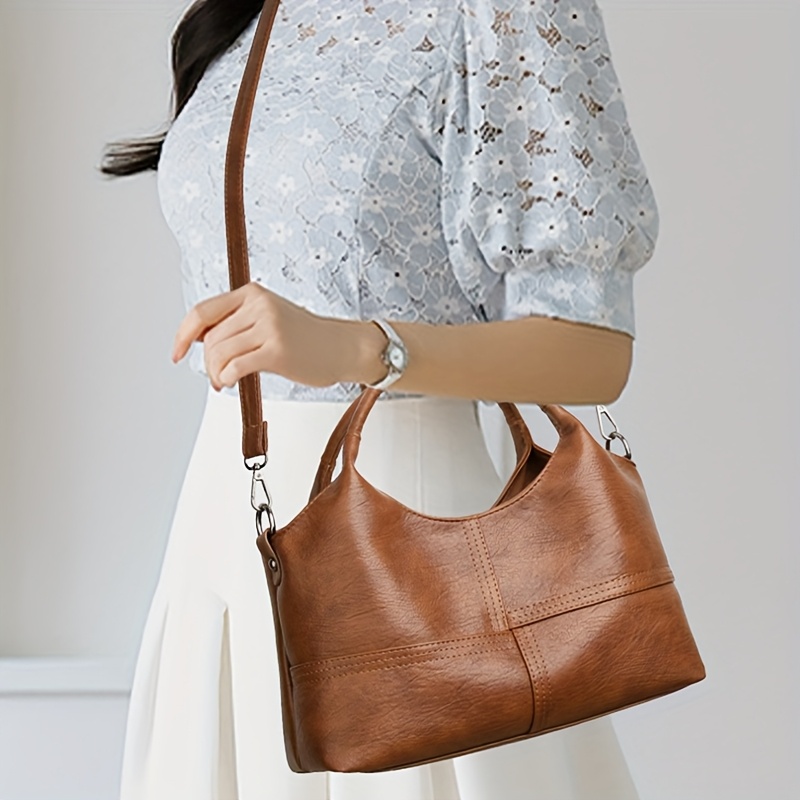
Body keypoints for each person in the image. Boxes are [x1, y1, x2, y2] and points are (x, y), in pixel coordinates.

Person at [102, 1, 658, 798]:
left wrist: (362, 346)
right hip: (221, 530)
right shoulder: (254, 13)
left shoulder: (501, 11)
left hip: (410, 539)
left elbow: (593, 351)